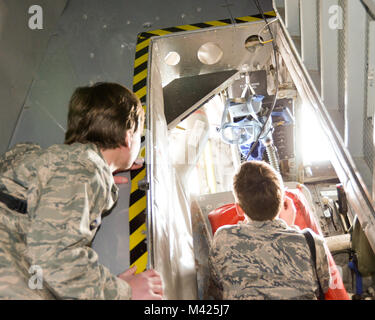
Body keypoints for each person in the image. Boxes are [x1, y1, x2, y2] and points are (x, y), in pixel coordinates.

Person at [0, 82, 163, 300]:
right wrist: (124, 292)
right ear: (128, 137)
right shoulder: (84, 171)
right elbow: (54, 258)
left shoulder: (69, 167)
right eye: (139, 136)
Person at [208, 160, 331, 300]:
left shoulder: (223, 238)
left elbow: (218, 285)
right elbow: (324, 286)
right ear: (282, 202)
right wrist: (289, 228)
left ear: (239, 208)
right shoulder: (313, 242)